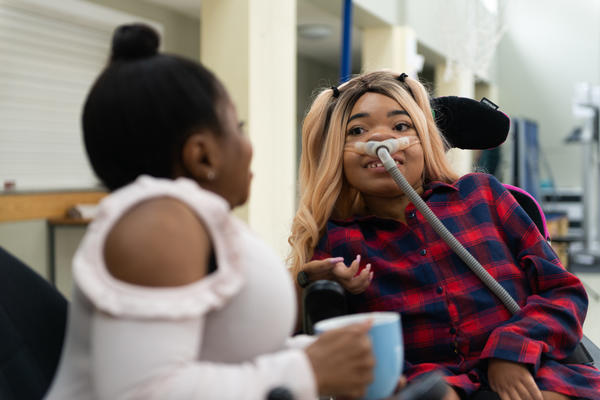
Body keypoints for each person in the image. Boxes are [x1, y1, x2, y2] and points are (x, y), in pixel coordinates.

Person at [44, 23, 378, 400]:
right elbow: (143, 391)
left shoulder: (188, 219)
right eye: (237, 127)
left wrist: (336, 361)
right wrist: (308, 371)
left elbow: (222, 357)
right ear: (202, 154)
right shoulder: (158, 222)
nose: (248, 144)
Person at [288, 70, 600, 400]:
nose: (381, 139)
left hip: (531, 372)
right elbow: (314, 341)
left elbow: (562, 291)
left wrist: (513, 349)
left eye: (401, 126)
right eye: (357, 130)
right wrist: (306, 281)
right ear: (334, 153)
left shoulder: (482, 196)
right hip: (429, 387)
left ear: (425, 138)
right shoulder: (338, 240)